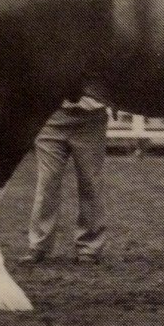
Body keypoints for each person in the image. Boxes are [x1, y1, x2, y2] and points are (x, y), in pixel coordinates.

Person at [20, 96, 108, 264]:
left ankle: (90, 248)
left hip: (91, 119)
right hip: (51, 116)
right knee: (47, 183)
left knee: (91, 183)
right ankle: (38, 245)